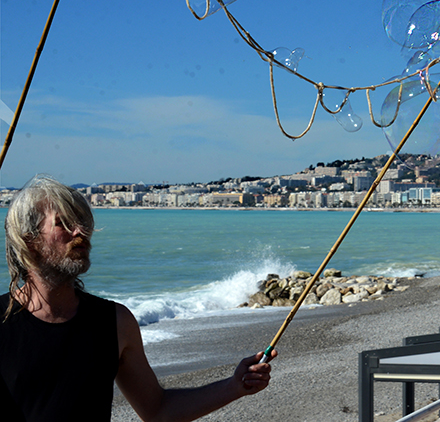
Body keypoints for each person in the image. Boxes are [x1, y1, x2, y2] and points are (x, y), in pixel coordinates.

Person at [1, 176, 275, 421]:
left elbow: (157, 409)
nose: (80, 232)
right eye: (64, 224)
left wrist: (234, 386)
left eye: (82, 223)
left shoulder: (115, 322)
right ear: (29, 241)